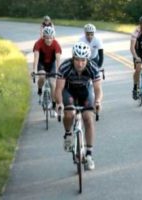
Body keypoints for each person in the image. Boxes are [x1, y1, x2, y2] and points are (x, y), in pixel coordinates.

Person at [55, 42, 103, 170]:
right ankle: (68, 134)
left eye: (83, 60)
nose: (80, 64)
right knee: (69, 113)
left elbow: (98, 89)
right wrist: (59, 103)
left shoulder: (93, 67)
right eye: (77, 60)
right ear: (73, 58)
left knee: (88, 117)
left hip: (85, 92)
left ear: (87, 59)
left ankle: (89, 154)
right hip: (69, 91)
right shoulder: (65, 67)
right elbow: (59, 89)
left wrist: (98, 101)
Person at [32, 26, 61, 114]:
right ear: (43, 37)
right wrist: (34, 70)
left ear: (53, 37)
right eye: (47, 38)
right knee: (42, 77)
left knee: (53, 84)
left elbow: (58, 60)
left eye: (50, 38)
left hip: (51, 64)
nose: (48, 40)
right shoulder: (38, 43)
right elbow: (36, 58)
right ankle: (40, 89)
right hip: (42, 64)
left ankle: (53, 104)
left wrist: (59, 72)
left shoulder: (56, 44)